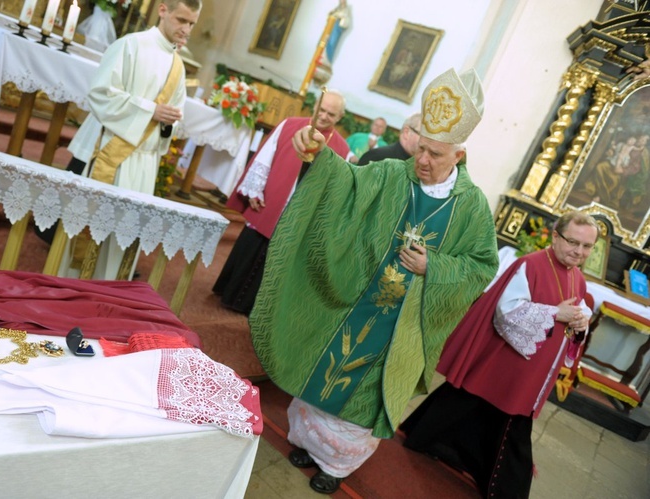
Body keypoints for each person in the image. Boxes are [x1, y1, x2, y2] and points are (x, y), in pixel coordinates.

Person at [250, 68, 499, 494]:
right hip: (354, 300)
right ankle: (310, 444)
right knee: (322, 371)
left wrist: (433, 268)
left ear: (458, 155)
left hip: (401, 325)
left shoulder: (473, 207)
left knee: (363, 396)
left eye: (435, 155)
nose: (422, 160)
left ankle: (337, 464)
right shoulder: (392, 174)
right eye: (420, 148)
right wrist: (318, 153)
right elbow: (345, 185)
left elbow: (481, 266)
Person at [401, 211, 598, 498]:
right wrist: (557, 313)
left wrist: (579, 325)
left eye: (587, 246)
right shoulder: (530, 265)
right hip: (507, 360)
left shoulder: (577, 279)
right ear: (555, 237)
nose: (579, 251)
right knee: (497, 414)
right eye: (573, 242)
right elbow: (507, 312)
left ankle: (430, 439)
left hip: (535, 367)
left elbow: (570, 321)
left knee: (472, 404)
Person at [51, 0, 202, 280]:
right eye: (182, 20)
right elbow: (101, 93)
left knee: (123, 237)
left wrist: (168, 121)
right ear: (163, 10)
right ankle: (71, 291)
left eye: (192, 24)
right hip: (112, 153)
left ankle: (108, 296)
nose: (186, 29)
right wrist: (151, 111)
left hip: (145, 162)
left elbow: (174, 115)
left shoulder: (178, 66)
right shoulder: (130, 45)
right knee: (92, 230)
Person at [213, 90, 350, 314]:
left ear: (340, 117)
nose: (324, 116)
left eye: (331, 114)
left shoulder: (342, 149)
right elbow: (265, 157)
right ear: (314, 107)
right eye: (321, 110)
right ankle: (230, 294)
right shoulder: (290, 125)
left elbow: (337, 186)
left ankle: (255, 308)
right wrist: (255, 190)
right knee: (252, 246)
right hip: (271, 201)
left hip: (299, 214)